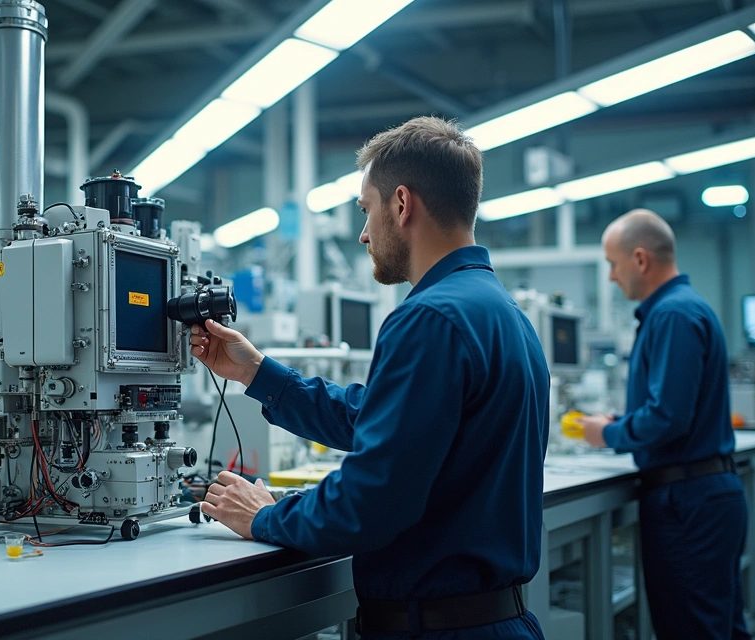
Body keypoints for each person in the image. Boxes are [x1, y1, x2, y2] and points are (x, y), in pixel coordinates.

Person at [194, 116, 549, 639]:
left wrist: (265, 516)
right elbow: (378, 421)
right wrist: (257, 372)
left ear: (401, 204)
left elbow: (372, 503)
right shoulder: (505, 314)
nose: (363, 233)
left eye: (366, 210)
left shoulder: (429, 318)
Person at [577, 209, 749, 640]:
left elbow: (669, 418)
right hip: (700, 496)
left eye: (613, 265)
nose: (612, 277)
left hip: (688, 502)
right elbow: (671, 408)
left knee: (692, 630)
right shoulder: (680, 310)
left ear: (639, 260)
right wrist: (620, 421)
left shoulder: (672, 315)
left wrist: (608, 434)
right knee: (717, 626)